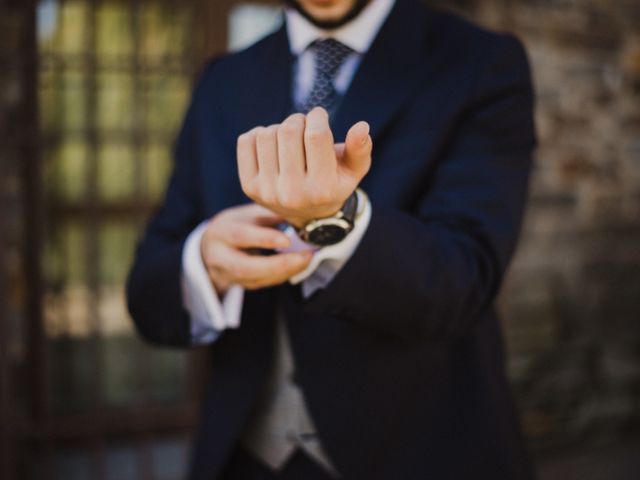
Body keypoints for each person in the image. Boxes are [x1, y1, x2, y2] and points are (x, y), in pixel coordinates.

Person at [126, 0, 537, 478]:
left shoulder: (478, 61)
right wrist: (204, 264)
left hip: (423, 453)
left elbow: (465, 279)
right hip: (245, 456)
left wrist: (334, 221)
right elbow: (146, 292)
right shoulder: (222, 80)